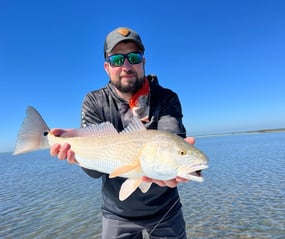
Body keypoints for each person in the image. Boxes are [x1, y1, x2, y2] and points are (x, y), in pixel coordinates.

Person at [50, 27, 195, 239]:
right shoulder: (94, 102)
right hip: (117, 213)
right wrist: (78, 156)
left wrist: (179, 159)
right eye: (117, 60)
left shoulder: (166, 98)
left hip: (167, 209)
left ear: (143, 62)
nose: (126, 66)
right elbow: (95, 172)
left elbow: (169, 137)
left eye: (134, 57)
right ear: (107, 67)